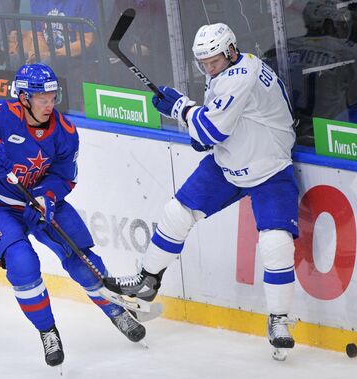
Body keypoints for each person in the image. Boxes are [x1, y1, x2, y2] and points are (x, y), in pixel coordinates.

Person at [104, 23, 299, 355]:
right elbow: (210, 129)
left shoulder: (242, 74)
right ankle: (148, 281)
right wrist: (194, 117)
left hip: (269, 167)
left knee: (275, 243)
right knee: (176, 213)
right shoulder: (227, 69)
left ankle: (279, 318)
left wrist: (180, 107)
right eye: (203, 63)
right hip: (229, 164)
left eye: (213, 61)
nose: (208, 68)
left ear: (230, 51)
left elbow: (209, 131)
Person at [0, 63, 145, 368]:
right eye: (42, 99)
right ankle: (48, 331)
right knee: (22, 264)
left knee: (82, 260)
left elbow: (65, 176)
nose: (49, 105)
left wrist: (47, 195)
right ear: (23, 97)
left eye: (52, 97)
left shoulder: (64, 131)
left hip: (41, 204)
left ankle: (117, 312)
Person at [264, 0, 357, 146]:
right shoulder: (348, 50)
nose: (344, 27)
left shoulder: (283, 46)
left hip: (289, 134)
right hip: (330, 138)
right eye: (341, 22)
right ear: (329, 24)